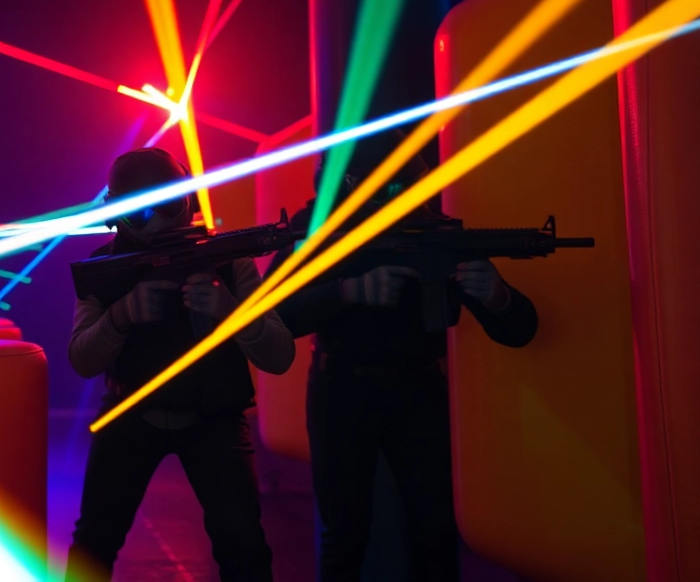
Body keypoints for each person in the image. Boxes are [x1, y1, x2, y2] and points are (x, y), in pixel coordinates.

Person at [265, 131, 538, 582]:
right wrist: (348, 291)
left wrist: (498, 297)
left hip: (417, 389)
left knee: (434, 530)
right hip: (343, 389)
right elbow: (271, 317)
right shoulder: (318, 227)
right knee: (345, 532)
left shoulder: (436, 231)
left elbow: (519, 328)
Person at [64, 148, 295, 582]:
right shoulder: (105, 268)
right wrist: (122, 316)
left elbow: (280, 354)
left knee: (243, 546)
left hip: (214, 418)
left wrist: (231, 312)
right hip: (131, 409)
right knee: (96, 540)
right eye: (141, 211)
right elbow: (81, 358)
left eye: (169, 203)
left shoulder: (228, 258)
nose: (158, 222)